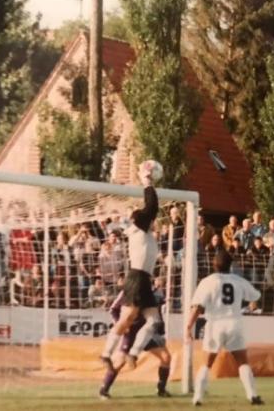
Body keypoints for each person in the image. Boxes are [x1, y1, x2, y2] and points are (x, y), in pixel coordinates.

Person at [100, 164, 161, 370]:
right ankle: (107, 354)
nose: (152, 219)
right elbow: (152, 206)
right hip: (136, 278)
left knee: (153, 321)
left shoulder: (144, 234)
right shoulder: (139, 227)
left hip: (143, 279)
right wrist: (147, 182)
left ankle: (131, 354)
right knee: (127, 319)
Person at [186, 251, 263, 406]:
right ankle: (253, 395)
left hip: (215, 324)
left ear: (214, 264)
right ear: (231, 265)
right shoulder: (238, 280)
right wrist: (248, 301)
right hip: (234, 322)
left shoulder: (208, 281)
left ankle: (198, 398)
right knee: (242, 362)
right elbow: (255, 296)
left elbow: (198, 307)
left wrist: (188, 326)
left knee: (207, 363)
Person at [99, 291, 171, 399]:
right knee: (120, 362)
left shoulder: (153, 294)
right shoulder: (127, 292)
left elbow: (157, 313)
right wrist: (120, 325)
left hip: (147, 333)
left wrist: (160, 330)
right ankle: (104, 389)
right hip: (131, 333)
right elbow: (113, 310)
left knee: (166, 357)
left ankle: (161, 389)